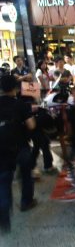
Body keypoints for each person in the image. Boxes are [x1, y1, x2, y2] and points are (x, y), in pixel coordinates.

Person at [0, 75, 36, 233]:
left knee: (4, 180)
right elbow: (31, 125)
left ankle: (4, 209)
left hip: (2, 149)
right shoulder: (19, 104)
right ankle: (26, 201)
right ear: (14, 88)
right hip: (20, 145)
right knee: (26, 173)